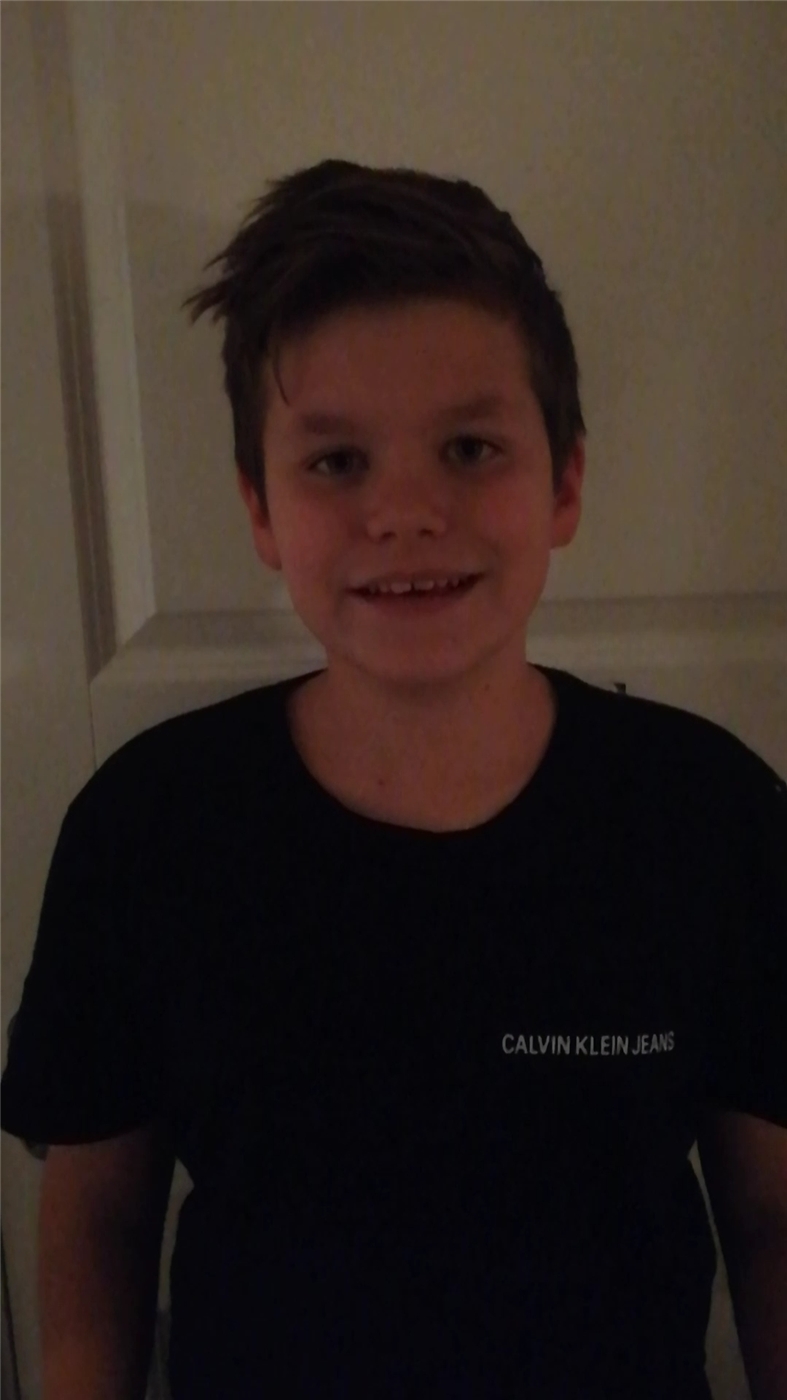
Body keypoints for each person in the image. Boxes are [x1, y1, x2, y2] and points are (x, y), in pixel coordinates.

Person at [2, 158, 786, 1400]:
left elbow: (770, 1210)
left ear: (564, 482)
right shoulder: (147, 827)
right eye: (336, 462)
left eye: (470, 446)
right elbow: (98, 1206)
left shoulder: (709, 816)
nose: (407, 510)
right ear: (261, 509)